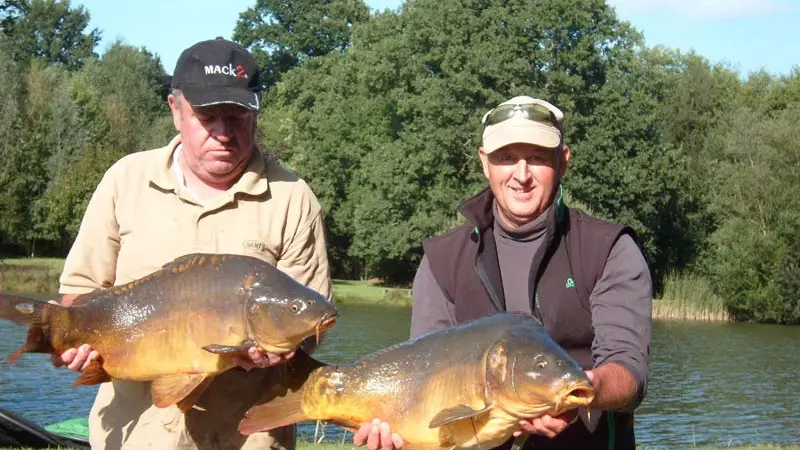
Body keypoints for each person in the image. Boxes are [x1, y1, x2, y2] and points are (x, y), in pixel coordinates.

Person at [52, 37, 332, 450]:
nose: (223, 132)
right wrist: (74, 341)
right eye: (207, 116)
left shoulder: (292, 197)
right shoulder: (124, 180)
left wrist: (281, 349)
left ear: (255, 114)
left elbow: (312, 324)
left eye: (236, 116)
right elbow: (76, 294)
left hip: (248, 439)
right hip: (133, 435)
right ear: (176, 110)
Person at [358, 95, 653, 450]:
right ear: (485, 163)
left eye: (538, 158)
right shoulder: (442, 259)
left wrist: (583, 390)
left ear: (563, 161)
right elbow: (423, 379)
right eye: (507, 158)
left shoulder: (608, 249)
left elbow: (630, 373)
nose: (522, 175)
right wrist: (398, 431)